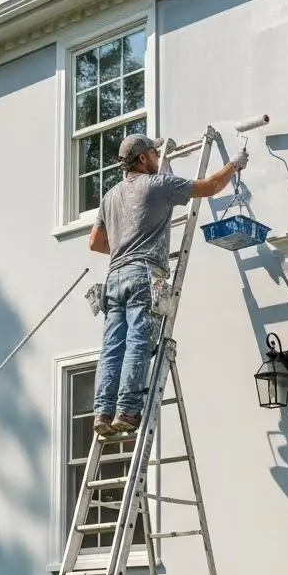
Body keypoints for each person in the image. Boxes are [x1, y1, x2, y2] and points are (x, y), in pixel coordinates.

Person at [87, 133, 248, 437]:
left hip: (114, 276)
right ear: (144, 158)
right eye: (155, 154)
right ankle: (126, 411)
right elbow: (211, 186)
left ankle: (102, 411)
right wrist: (234, 165)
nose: (159, 159)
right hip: (145, 274)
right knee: (137, 342)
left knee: (112, 347)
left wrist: (125, 243)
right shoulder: (158, 184)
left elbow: (95, 243)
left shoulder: (110, 196)